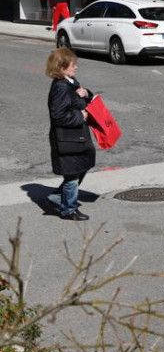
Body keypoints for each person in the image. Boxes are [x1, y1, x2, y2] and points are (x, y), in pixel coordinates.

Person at [46, 47, 95, 221]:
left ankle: (58, 197)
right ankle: (68, 209)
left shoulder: (70, 81)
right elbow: (58, 115)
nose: (76, 68)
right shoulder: (60, 87)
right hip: (67, 138)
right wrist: (79, 116)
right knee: (72, 175)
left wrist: (86, 93)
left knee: (82, 167)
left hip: (76, 137)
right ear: (62, 67)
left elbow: (78, 101)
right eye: (73, 65)